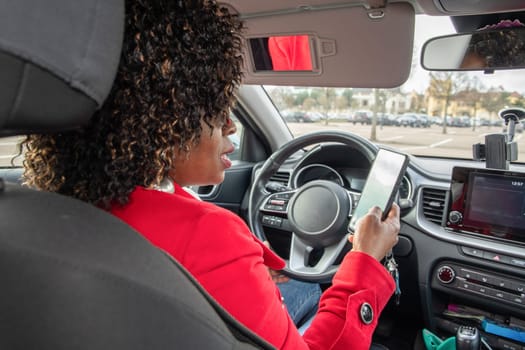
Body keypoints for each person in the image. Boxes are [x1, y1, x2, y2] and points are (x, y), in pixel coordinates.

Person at [21, 0, 400, 349]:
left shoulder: (40, 207)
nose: (231, 126)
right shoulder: (208, 236)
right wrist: (365, 258)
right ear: (162, 122)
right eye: (216, 108)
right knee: (317, 295)